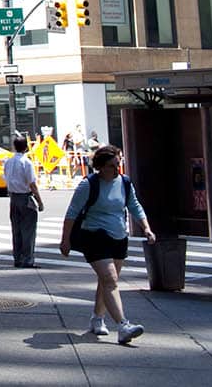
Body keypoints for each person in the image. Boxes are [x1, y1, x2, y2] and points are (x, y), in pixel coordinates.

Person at [60, 145, 156, 345]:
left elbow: (134, 205)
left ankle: (97, 318)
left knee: (107, 281)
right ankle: (123, 326)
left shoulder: (125, 183)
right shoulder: (89, 184)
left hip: (119, 235)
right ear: (101, 166)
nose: (117, 169)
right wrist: (65, 240)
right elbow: (72, 213)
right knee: (110, 279)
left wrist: (146, 228)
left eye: (119, 164)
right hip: (95, 235)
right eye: (113, 166)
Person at [3, 136, 44, 268]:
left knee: (16, 230)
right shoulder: (26, 162)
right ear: (26, 147)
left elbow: (6, 178)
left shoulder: (8, 162)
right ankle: (27, 259)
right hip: (25, 197)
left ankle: (18, 258)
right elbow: (32, 184)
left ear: (14, 146)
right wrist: (40, 201)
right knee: (28, 231)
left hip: (13, 198)